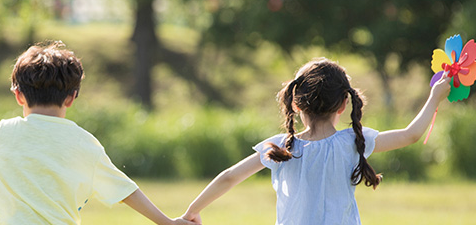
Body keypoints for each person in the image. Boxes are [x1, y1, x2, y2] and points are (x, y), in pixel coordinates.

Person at [0, 41, 195, 225]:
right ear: (72, 97)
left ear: (18, 95)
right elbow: (126, 191)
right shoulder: (85, 144)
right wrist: (168, 222)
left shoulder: (4, 134)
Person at [181, 58, 451, 225]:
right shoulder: (353, 141)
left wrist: (191, 212)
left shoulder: (280, 147)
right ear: (344, 104)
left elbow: (229, 177)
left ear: (296, 104)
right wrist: (435, 96)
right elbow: (411, 135)